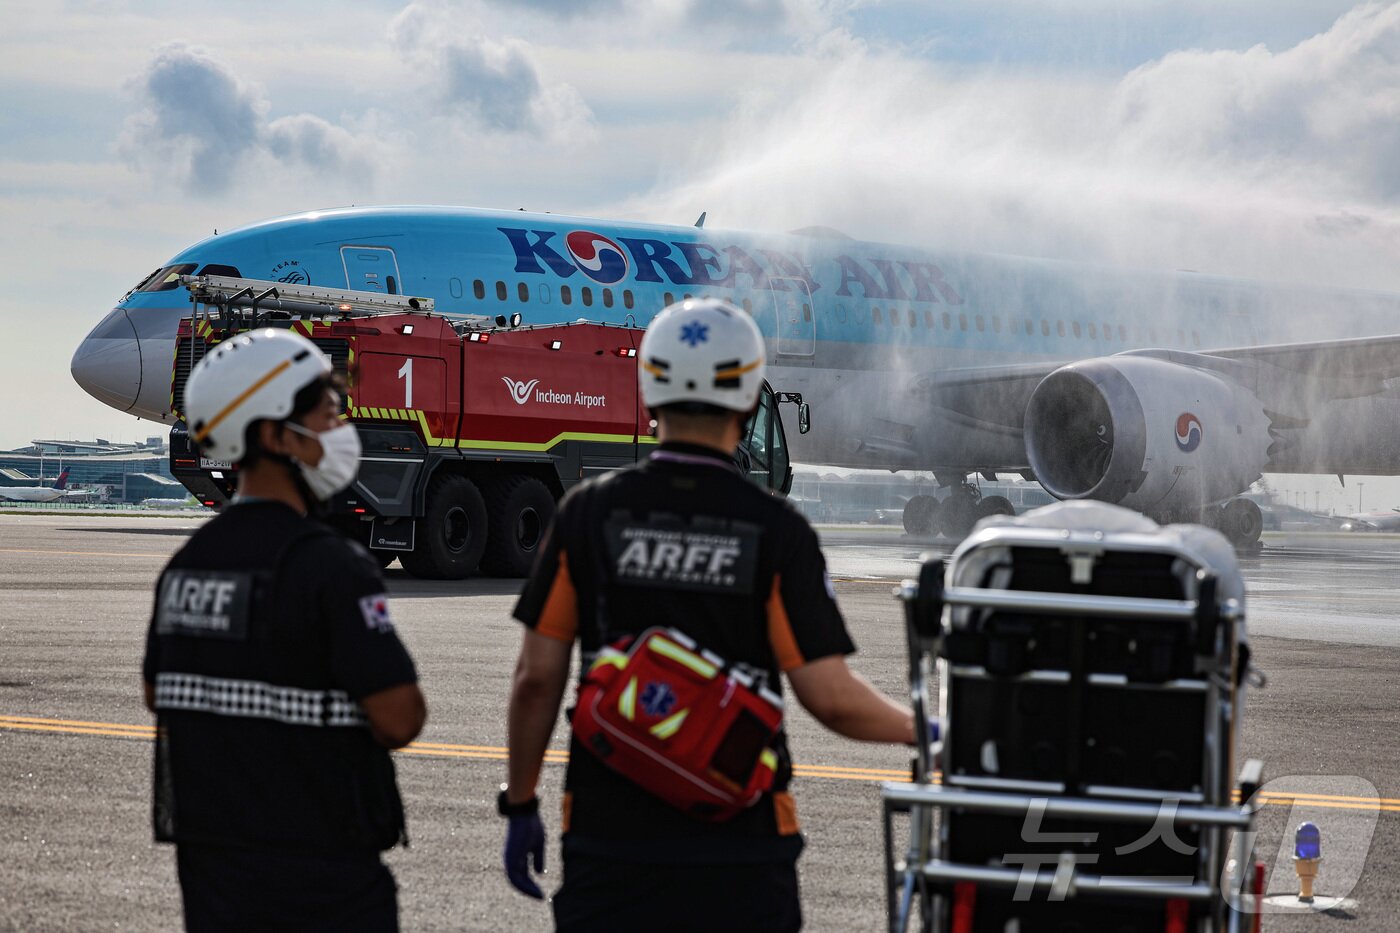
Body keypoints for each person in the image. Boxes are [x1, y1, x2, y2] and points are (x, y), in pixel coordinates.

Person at [501, 298, 914, 931]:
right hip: (740, 850)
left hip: (610, 842)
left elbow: (535, 679)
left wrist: (521, 800)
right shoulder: (777, 531)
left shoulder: (586, 515)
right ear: (749, 402)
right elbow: (831, 698)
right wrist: (931, 732)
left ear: (647, 396)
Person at [142, 328, 427, 932]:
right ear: (273, 434)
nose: (340, 431)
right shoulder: (331, 567)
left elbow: (157, 693)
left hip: (215, 876)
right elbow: (400, 718)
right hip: (323, 881)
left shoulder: (184, 568)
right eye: (326, 414)